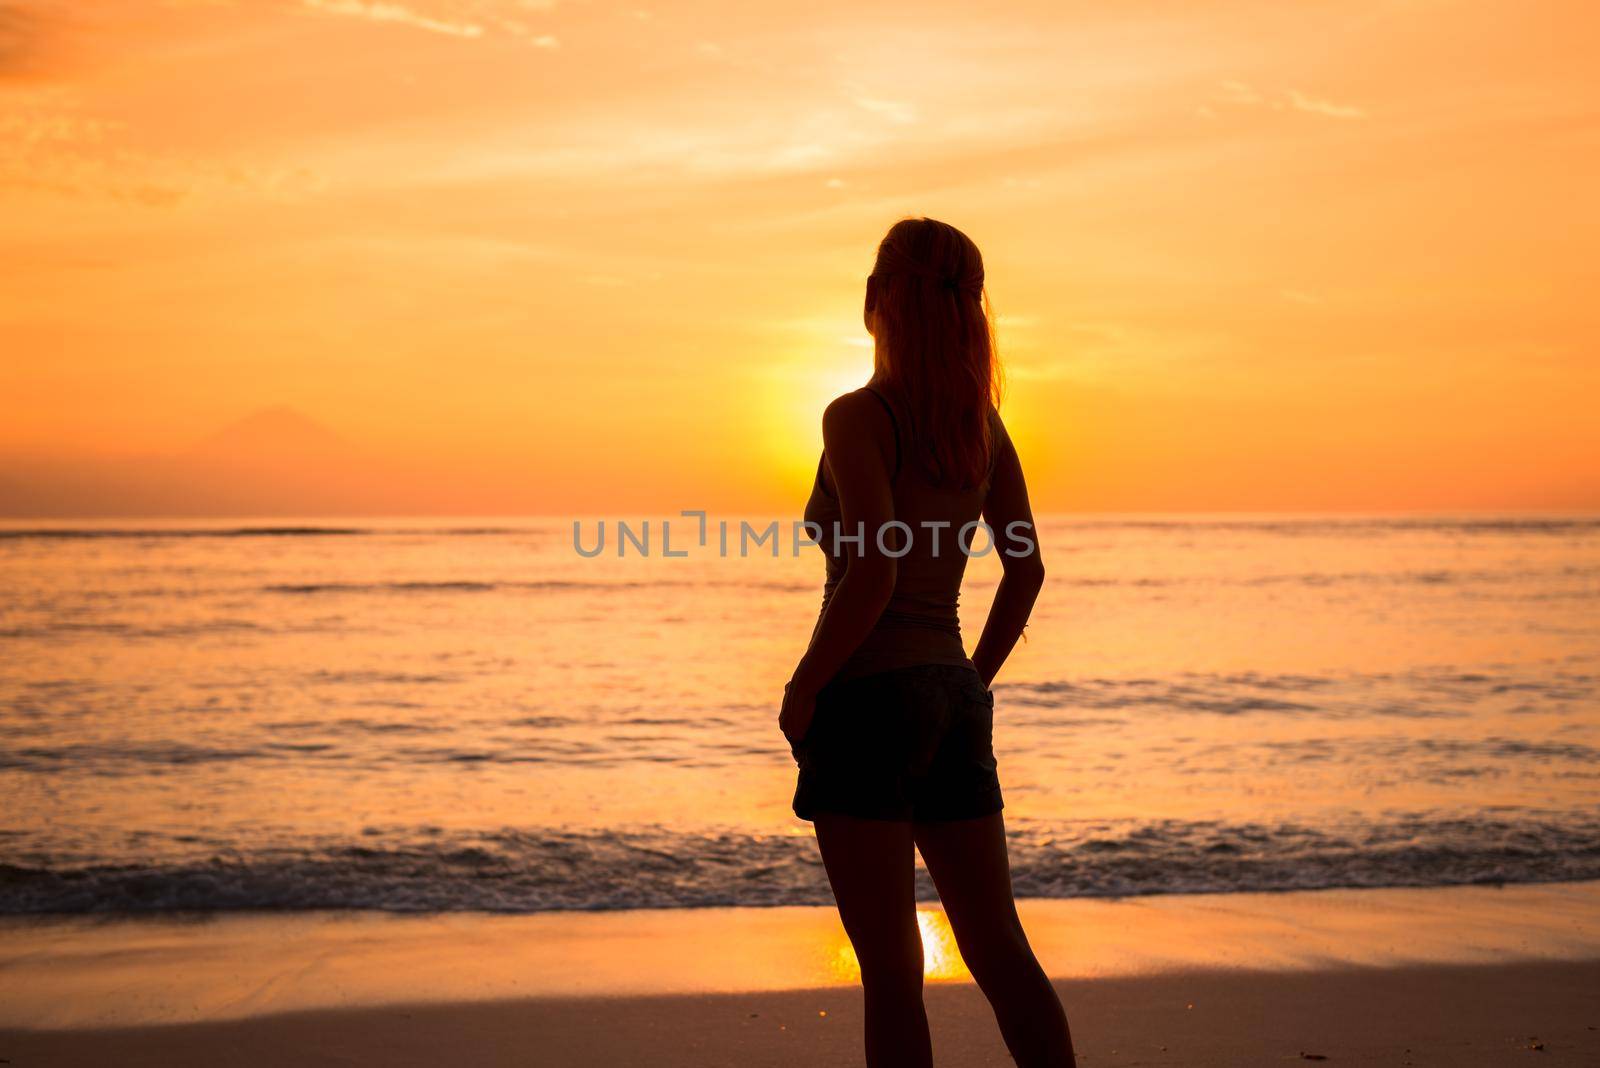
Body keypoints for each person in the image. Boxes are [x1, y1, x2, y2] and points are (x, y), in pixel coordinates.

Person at [779, 217, 1077, 1068]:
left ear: (879, 300)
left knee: (892, 973)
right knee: (999, 951)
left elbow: (871, 572)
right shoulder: (984, 426)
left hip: (868, 700)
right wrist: (970, 681)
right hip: (949, 698)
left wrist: (805, 688)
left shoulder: (857, 417)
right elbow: (1026, 573)